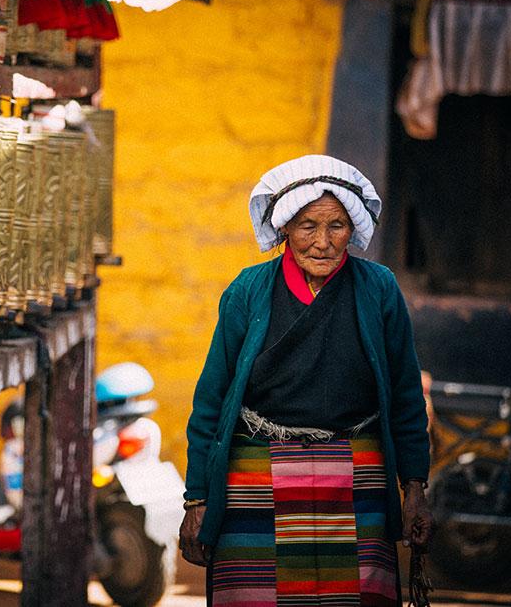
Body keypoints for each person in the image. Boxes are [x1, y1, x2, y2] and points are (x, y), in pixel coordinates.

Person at [180, 155, 434, 606]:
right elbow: (211, 401)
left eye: (336, 225)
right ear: (283, 231)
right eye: (307, 226)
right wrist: (196, 500)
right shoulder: (248, 290)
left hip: (357, 473)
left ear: (353, 229)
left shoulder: (379, 288)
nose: (322, 242)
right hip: (255, 473)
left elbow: (406, 396)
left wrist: (414, 487)